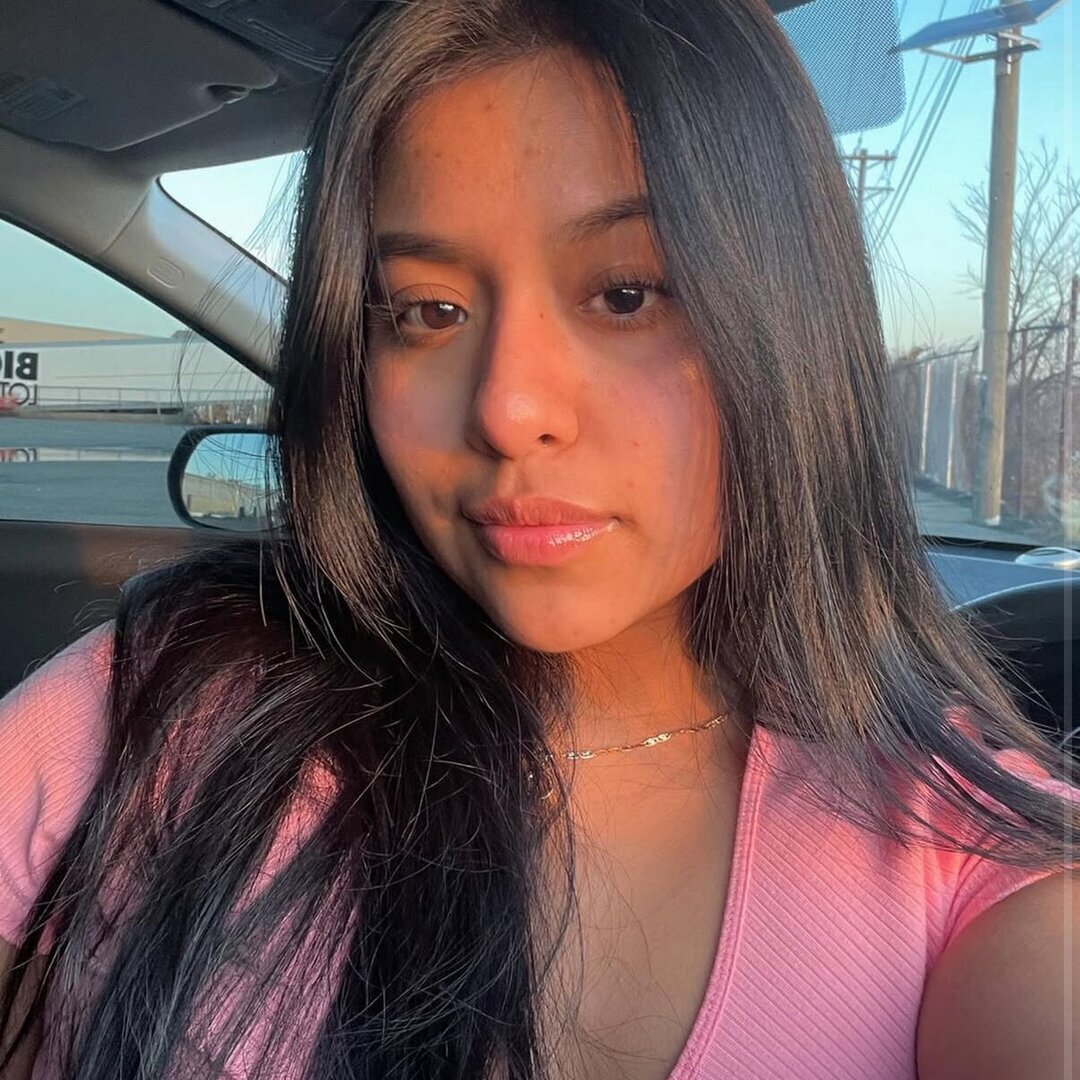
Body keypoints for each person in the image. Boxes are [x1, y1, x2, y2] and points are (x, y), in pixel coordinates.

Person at [2, 1, 1078, 1077]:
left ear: (790, 321)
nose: (508, 410)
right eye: (426, 311)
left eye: (626, 294)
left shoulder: (963, 854)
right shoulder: (166, 697)